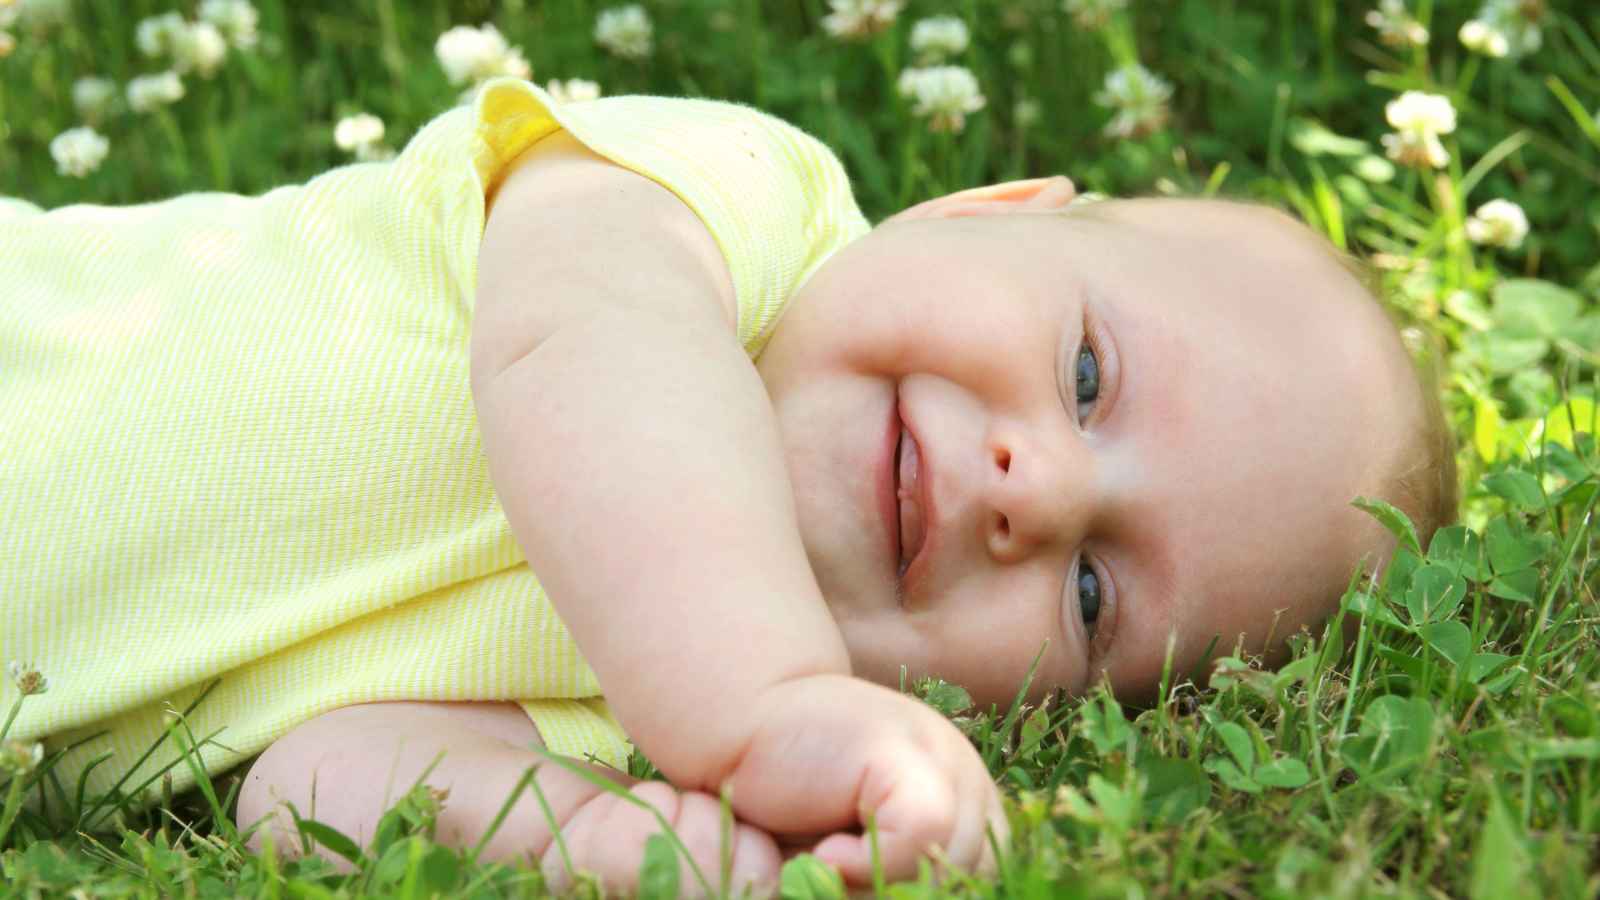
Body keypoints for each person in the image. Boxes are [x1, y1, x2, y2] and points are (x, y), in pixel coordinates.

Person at [0, 76, 1455, 894]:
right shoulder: (732, 201)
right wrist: (761, 708)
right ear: (979, 211)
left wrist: (639, 843)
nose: (1041, 491)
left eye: (1091, 595)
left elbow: (309, 784)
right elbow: (582, 337)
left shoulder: (648, 717)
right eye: (1086, 374)